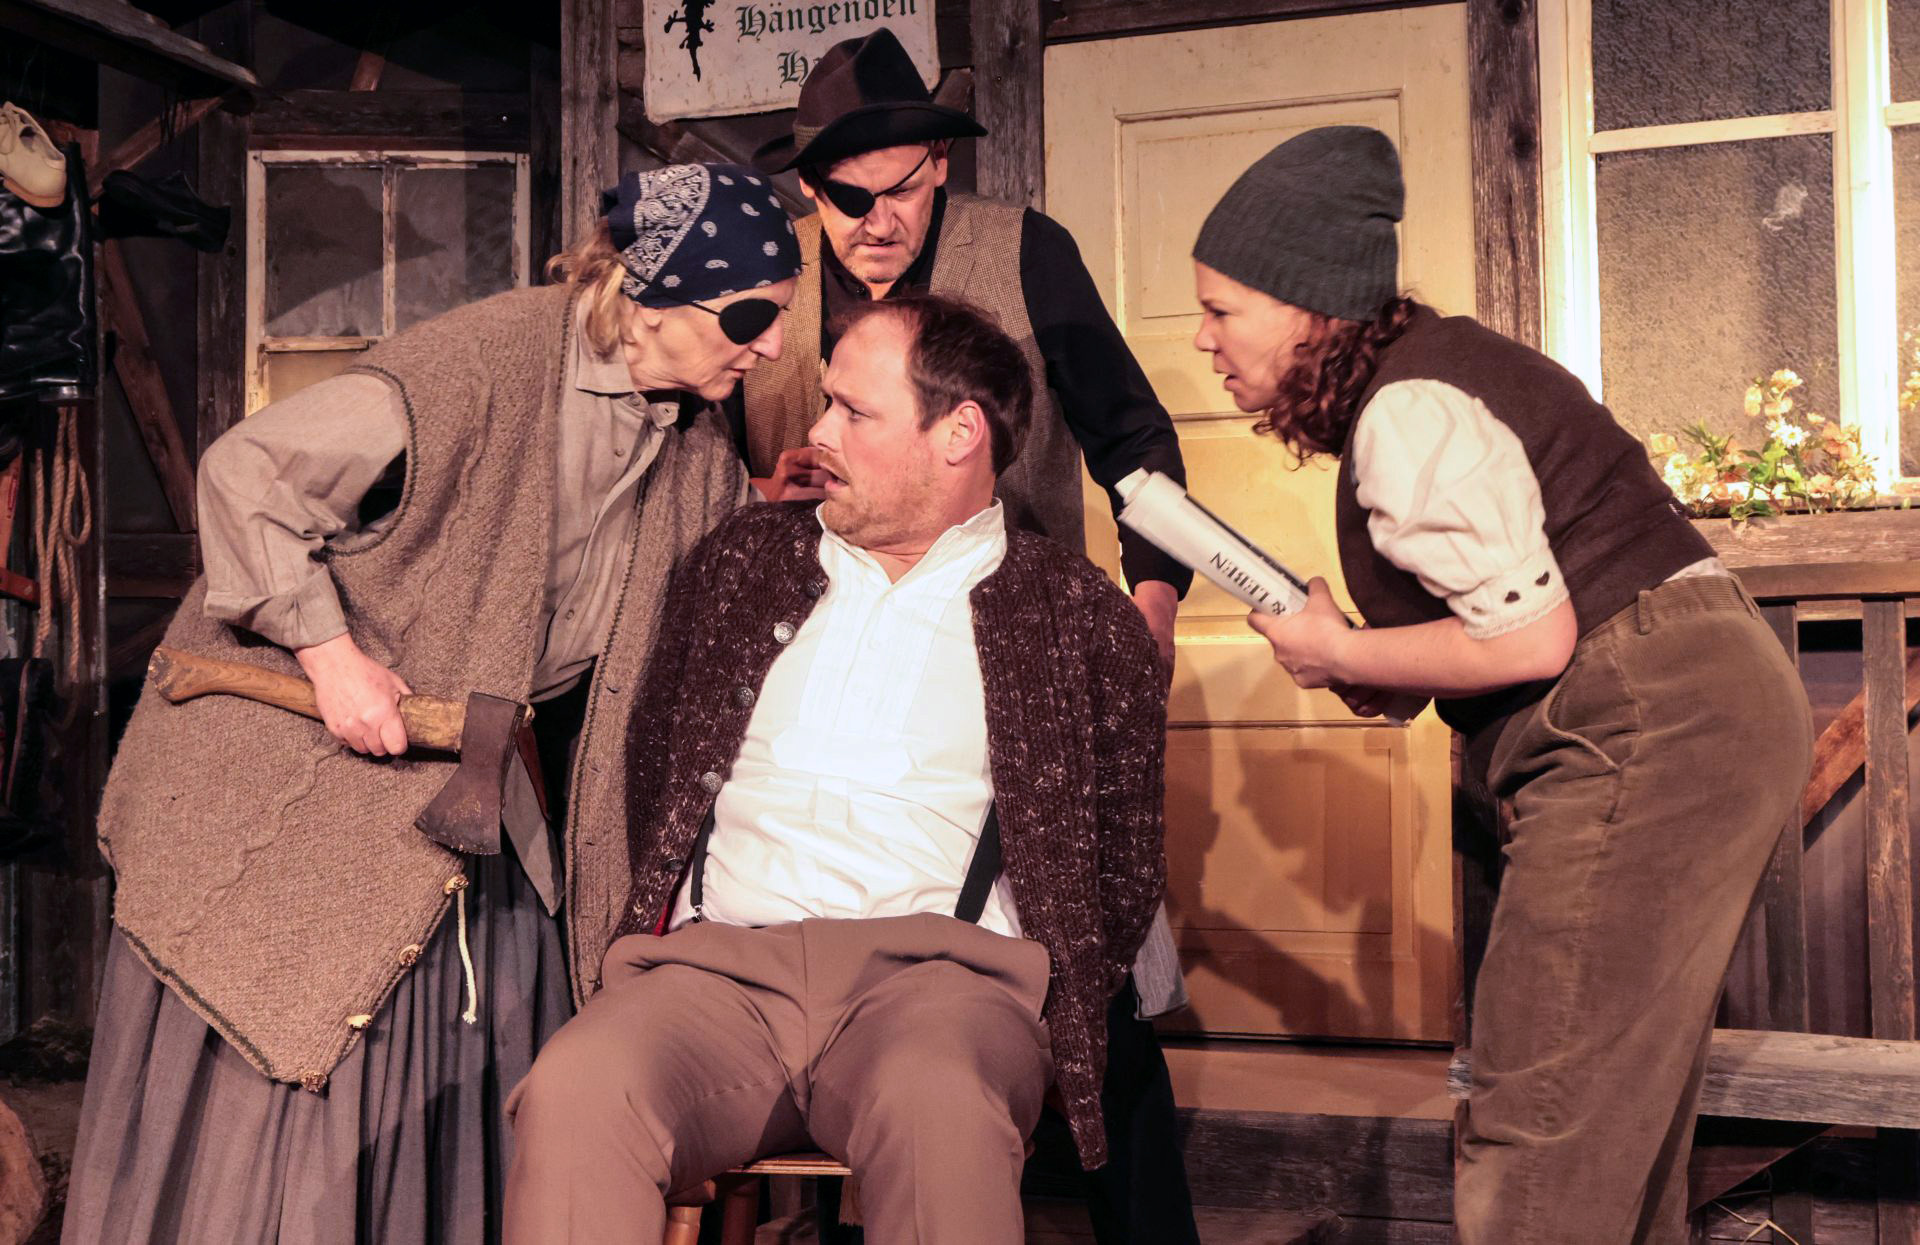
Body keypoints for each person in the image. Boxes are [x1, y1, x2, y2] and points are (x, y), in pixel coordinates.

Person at [65, 162, 801, 1245]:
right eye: (750, 316)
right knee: (299, 1051)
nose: (773, 347)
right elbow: (244, 475)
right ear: (652, 297)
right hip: (305, 771)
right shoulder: (479, 364)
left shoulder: (690, 437)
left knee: (490, 1042)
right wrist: (332, 658)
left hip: (468, 787)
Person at [1190, 127, 1815, 1245]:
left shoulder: (1410, 406)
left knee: (1542, 1119)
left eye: (1222, 310)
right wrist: (1361, 656)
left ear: (1307, 307)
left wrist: (1339, 654)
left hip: (1651, 718)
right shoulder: (1431, 377)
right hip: (1688, 703)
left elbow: (1531, 640)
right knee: (1610, 1135)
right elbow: (1494, 631)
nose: (1204, 340)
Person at [503, 293, 1168, 1244]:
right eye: (827, 402)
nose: (818, 432)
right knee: (576, 1086)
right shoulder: (739, 564)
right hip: (716, 975)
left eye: (854, 411)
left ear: (958, 433)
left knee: (940, 1103)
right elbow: (654, 765)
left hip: (942, 984)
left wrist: (1046, 998)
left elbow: (1124, 861)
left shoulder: (1073, 612)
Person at [747, 31, 1202, 1241]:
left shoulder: (1024, 251)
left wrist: (1154, 598)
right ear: (811, 190)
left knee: (1085, 972)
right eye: (848, 199)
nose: (877, 221)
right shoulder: (775, 280)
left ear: (940, 167)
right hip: (839, 680)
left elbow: (1134, 437)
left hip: (1013, 661)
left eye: (902, 189)